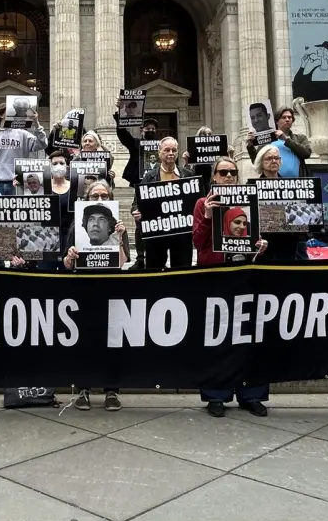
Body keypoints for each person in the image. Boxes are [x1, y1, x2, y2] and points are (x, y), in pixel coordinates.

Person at [191, 157, 270, 417]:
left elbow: (253, 236)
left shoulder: (247, 201)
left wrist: (259, 246)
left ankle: (252, 394)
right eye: (222, 172)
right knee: (216, 337)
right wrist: (206, 216)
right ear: (213, 177)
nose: (228, 176)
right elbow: (198, 243)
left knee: (249, 336)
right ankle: (216, 395)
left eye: (232, 172)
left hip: (244, 276)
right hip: (214, 276)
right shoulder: (204, 203)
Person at [63, 179, 128, 411]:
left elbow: (122, 262)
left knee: (111, 342)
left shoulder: (119, 228)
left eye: (103, 196)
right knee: (85, 342)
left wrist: (119, 239)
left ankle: (112, 391)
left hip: (111, 290)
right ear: (86, 200)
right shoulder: (75, 227)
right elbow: (67, 264)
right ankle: (84, 389)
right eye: (94, 196)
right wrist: (70, 256)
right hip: (84, 291)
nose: (99, 199)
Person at [132, 136, 196, 269]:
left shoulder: (188, 175)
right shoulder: (149, 177)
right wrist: (136, 212)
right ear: (159, 153)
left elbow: (196, 202)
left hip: (182, 234)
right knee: (154, 270)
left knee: (182, 271)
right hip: (156, 234)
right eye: (167, 150)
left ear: (178, 153)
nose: (171, 153)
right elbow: (136, 202)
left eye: (174, 150)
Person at [0, 108, 47, 195]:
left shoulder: (23, 134)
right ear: (1, 115)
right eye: (8, 111)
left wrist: (36, 123)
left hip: (17, 182)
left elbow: (42, 144)